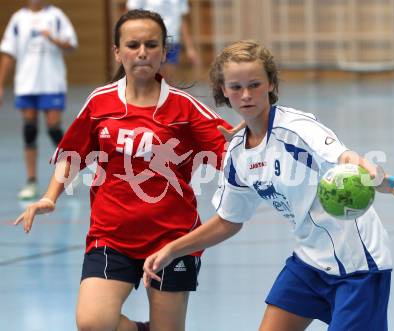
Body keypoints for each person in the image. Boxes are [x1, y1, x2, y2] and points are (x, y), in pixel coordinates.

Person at [143, 40, 394, 331]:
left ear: (270, 84)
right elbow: (229, 220)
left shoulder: (296, 128)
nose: (246, 95)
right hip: (309, 262)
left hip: (358, 265)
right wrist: (171, 250)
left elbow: (344, 155)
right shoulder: (237, 153)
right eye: (236, 87)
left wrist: (369, 172)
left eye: (254, 84)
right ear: (223, 90)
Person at [15, 10, 232, 331]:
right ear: (118, 52)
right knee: (93, 323)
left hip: (172, 240)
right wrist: (50, 196)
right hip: (111, 237)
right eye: (132, 45)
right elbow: (73, 153)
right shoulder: (100, 103)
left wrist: (253, 149)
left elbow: (230, 152)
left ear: (163, 52)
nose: (142, 52)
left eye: (150, 44)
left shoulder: (185, 108)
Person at [0, 0, 78, 200]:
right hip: (27, 83)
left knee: (53, 128)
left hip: (51, 82)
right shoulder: (18, 19)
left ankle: (69, 169)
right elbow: (8, 53)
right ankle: (32, 181)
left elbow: (71, 45)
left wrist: (53, 39)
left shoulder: (56, 16)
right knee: (29, 130)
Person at [126, 0, 200, 81]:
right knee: (153, 77)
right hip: (150, 40)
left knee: (169, 78)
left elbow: (182, 21)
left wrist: (190, 48)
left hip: (172, 41)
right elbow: (131, 16)